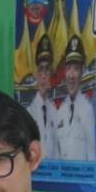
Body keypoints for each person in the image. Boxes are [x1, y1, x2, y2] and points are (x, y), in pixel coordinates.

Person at [50, 35, 96, 162]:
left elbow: (92, 157)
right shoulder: (60, 112)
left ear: (82, 72)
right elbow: (56, 155)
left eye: (76, 69)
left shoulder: (88, 110)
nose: (71, 76)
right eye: (68, 68)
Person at [25, 33, 60, 161]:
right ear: (36, 74)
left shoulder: (56, 112)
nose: (44, 75)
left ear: (51, 74)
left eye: (47, 70)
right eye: (41, 70)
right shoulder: (28, 113)